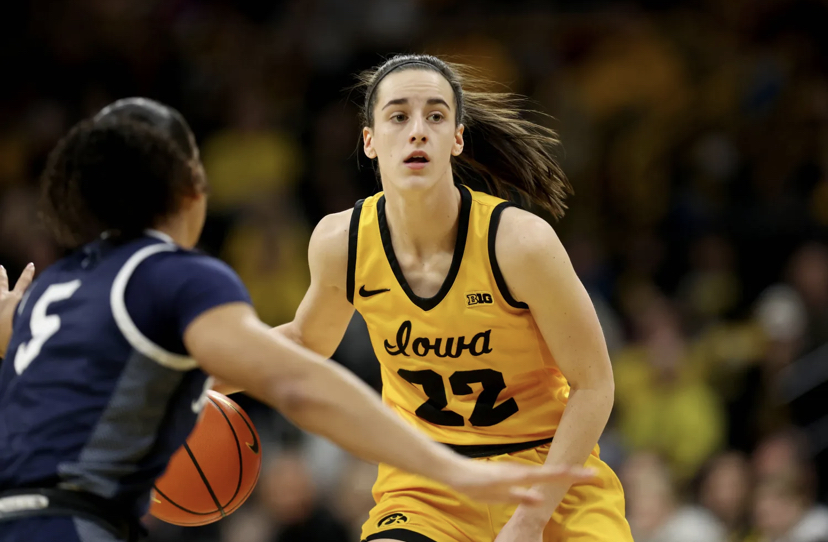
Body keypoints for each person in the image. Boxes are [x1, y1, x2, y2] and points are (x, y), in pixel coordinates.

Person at [0, 98, 592, 542]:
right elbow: (296, 381)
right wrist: (446, 468)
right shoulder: (176, 276)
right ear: (193, 192)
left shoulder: (60, 288)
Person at [256, 54, 633, 542]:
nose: (417, 131)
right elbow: (307, 339)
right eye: (398, 116)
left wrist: (532, 518)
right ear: (369, 141)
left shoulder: (520, 244)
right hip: (427, 483)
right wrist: (191, 376)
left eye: (435, 116)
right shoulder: (341, 243)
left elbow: (595, 385)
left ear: (456, 137)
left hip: (546, 471)